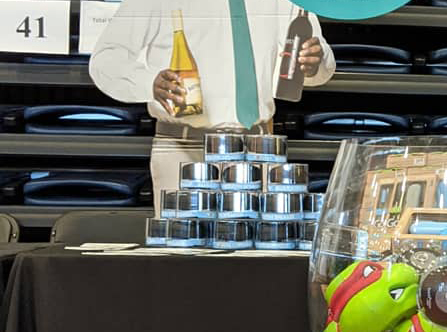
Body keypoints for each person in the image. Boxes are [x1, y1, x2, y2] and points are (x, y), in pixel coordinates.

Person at [88, 0, 336, 212]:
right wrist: (149, 82)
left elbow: (321, 62)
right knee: (186, 259)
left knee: (259, 261)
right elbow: (107, 59)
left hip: (260, 150)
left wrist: (315, 64)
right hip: (184, 149)